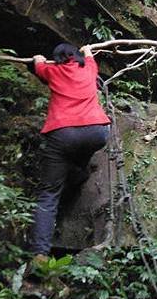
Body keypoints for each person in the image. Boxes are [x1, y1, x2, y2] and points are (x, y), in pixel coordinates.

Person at [29, 43, 110, 261]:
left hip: (62, 133)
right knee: (80, 157)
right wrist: (87, 50)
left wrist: (39, 57)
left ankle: (40, 255)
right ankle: (79, 173)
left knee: (48, 194)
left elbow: (39, 67)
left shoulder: (52, 70)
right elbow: (90, 56)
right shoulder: (89, 68)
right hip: (97, 132)